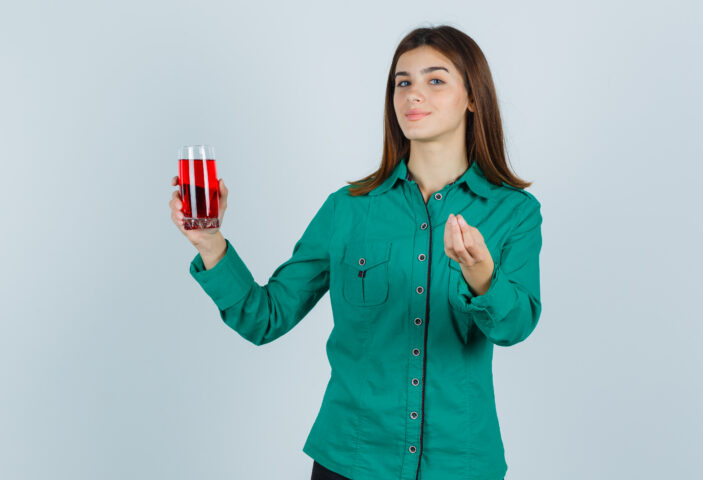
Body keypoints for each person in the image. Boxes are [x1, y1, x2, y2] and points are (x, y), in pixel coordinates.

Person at [169, 24, 539, 480]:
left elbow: (516, 326)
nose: (412, 95)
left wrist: (481, 273)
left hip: (460, 465)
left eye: (435, 80)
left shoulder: (514, 212)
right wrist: (209, 241)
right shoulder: (347, 210)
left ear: (472, 98)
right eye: (402, 82)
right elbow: (264, 317)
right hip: (351, 460)